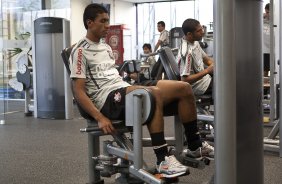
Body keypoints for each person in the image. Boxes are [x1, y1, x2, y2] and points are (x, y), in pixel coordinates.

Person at [69, 4, 213, 177]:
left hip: (122, 88)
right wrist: (99, 118)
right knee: (152, 93)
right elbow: (78, 91)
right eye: (103, 21)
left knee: (183, 88)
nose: (107, 25)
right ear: (89, 23)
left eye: (108, 20)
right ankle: (163, 160)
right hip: (106, 100)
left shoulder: (106, 47)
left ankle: (195, 146)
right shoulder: (79, 50)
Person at [176, 18, 214, 96]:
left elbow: (207, 60)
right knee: (229, 84)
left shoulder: (195, 42)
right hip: (200, 86)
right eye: (199, 31)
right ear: (189, 34)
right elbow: (184, 80)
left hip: (206, 79)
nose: (202, 32)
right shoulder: (186, 52)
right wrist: (207, 71)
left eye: (202, 29)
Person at [263, 3, 270, 77]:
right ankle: (265, 88)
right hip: (265, 50)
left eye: (268, 12)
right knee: (265, 71)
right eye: (266, 12)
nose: (266, 14)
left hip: (273, 50)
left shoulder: (277, 21)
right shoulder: (263, 20)